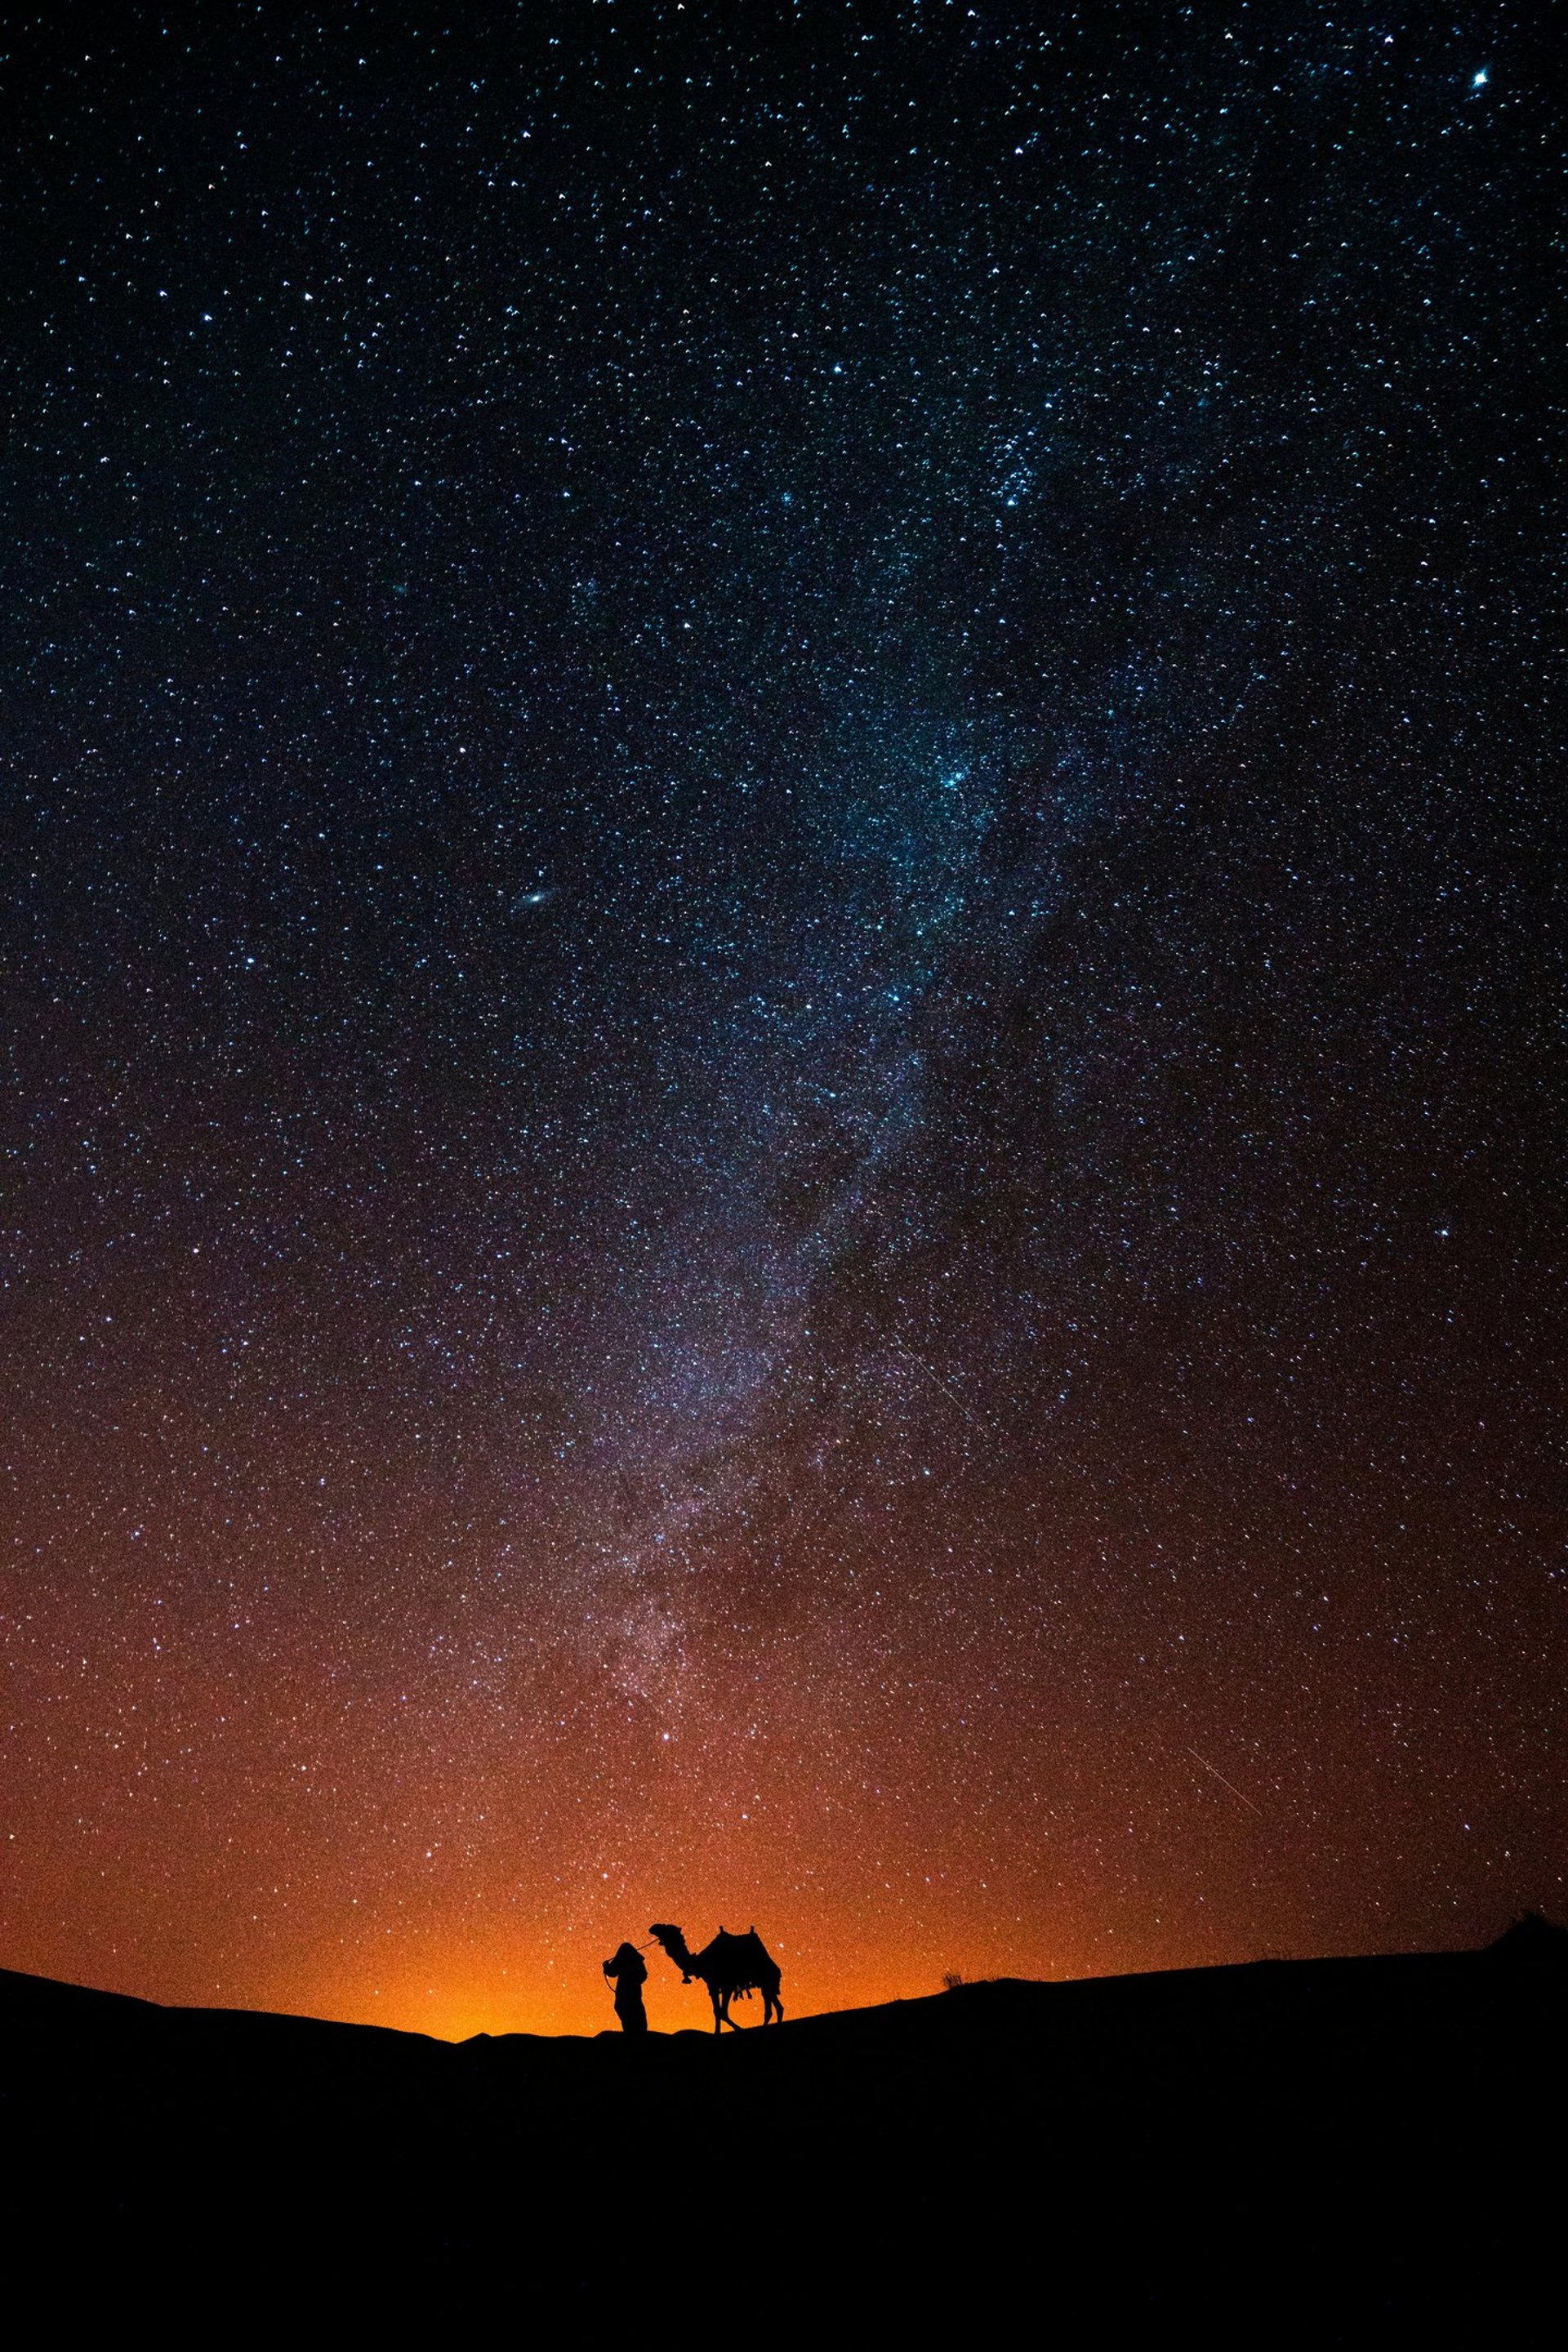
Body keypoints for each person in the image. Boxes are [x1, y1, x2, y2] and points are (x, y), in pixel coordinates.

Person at [602, 1940, 648, 2034]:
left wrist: (606, 1966)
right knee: (634, 2009)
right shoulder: (637, 1960)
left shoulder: (621, 1959)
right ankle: (637, 2032)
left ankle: (631, 2032)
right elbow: (644, 1975)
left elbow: (612, 1972)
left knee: (623, 2007)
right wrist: (636, 1982)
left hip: (624, 1990)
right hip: (634, 1990)